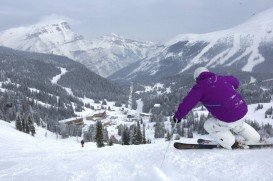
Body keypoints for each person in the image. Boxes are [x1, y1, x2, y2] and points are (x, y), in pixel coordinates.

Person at [173, 67, 260, 149]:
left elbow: (188, 103)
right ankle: (255, 138)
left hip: (227, 117)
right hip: (242, 110)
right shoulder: (221, 78)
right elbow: (236, 82)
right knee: (238, 124)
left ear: (196, 79)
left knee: (208, 125)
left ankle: (230, 143)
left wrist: (178, 117)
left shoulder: (200, 87)